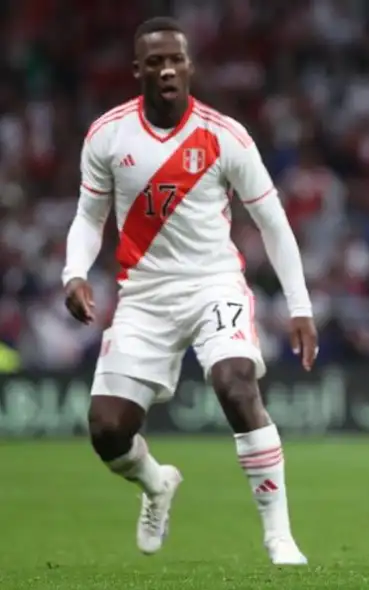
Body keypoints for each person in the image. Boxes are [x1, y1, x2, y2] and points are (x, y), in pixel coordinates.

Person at [62, 17, 313, 565]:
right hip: (144, 296)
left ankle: (279, 536)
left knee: (235, 382)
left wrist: (299, 306)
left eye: (176, 59)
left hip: (213, 285)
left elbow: (273, 223)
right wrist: (74, 272)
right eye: (155, 61)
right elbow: (88, 217)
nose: (167, 69)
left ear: (189, 66)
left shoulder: (225, 135)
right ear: (138, 71)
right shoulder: (108, 135)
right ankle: (156, 483)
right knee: (107, 430)